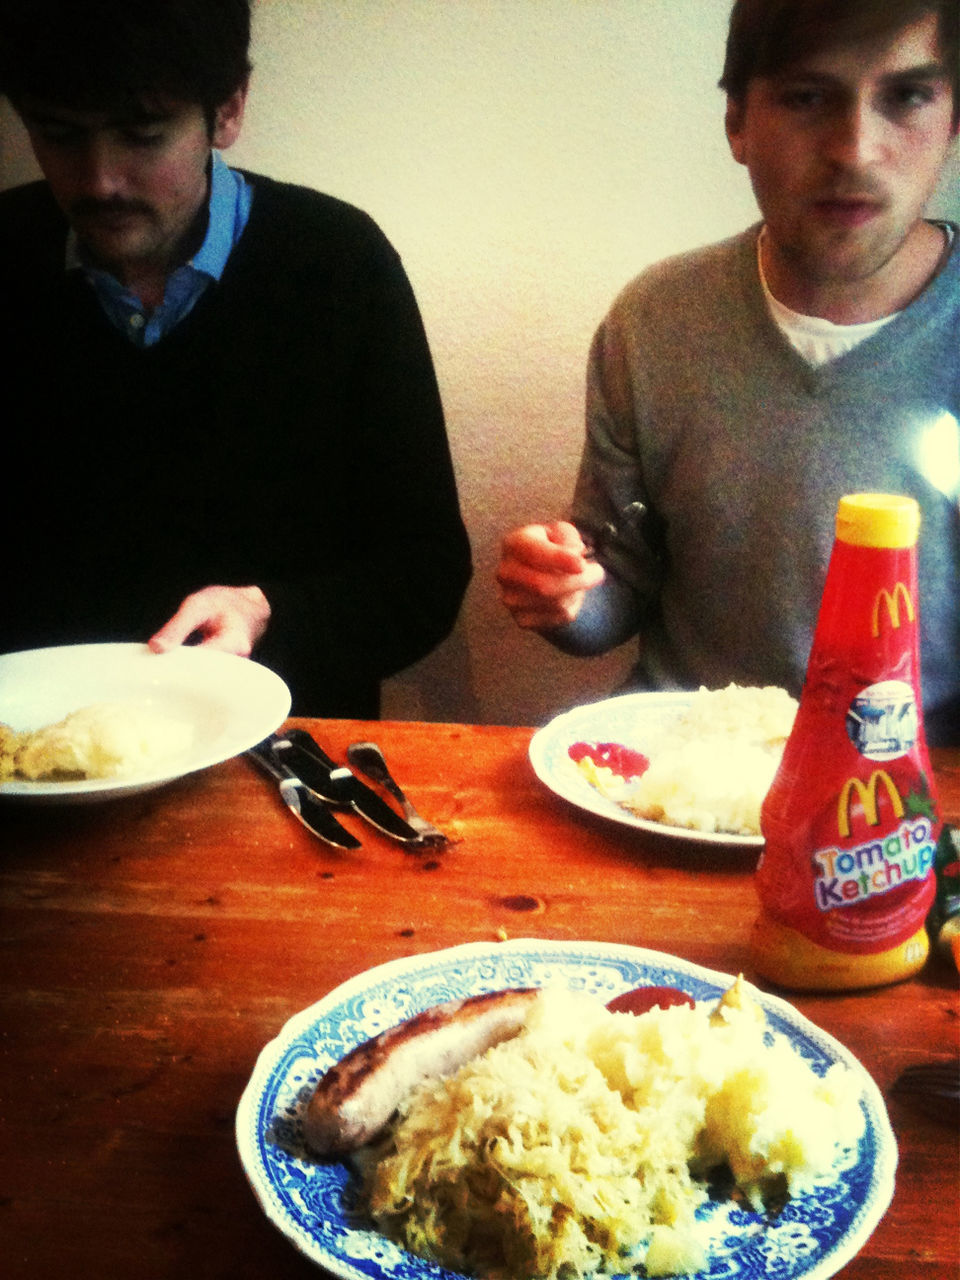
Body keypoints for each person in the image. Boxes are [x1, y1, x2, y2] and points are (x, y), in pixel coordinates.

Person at [497, 0, 960, 745]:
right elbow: (618, 577)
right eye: (808, 97)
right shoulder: (655, 321)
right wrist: (568, 596)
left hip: (901, 801)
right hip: (686, 776)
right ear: (738, 124)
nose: (856, 149)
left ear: (954, 119)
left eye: (906, 97)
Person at [0, 0, 471, 717]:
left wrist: (269, 614)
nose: (100, 181)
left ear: (227, 111)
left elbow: (425, 574)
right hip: (26, 755)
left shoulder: (337, 267)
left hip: (280, 761)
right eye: (60, 136)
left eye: (143, 136)